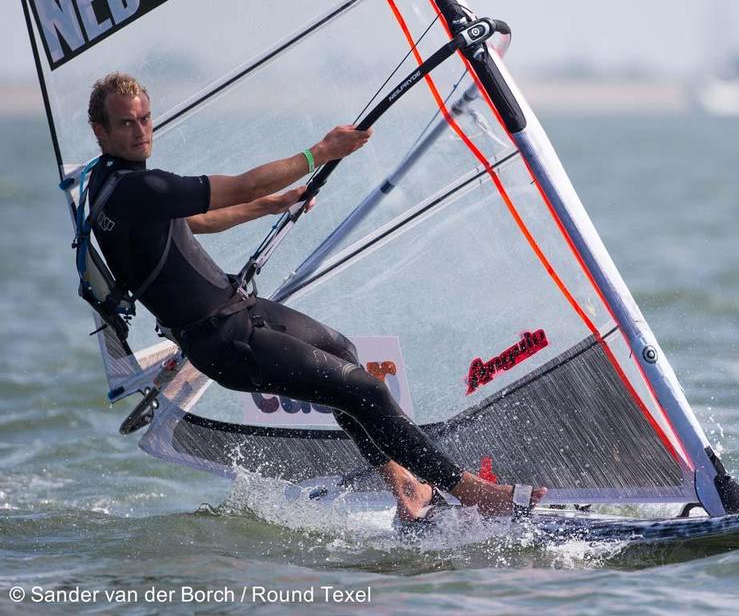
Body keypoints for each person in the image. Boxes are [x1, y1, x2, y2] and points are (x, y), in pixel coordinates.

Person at [86, 72, 545, 521]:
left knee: (342, 350)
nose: (141, 131)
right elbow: (244, 183)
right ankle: (472, 492)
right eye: (126, 123)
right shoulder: (141, 187)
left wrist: (269, 206)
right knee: (361, 389)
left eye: (145, 119)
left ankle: (405, 485)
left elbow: (190, 223)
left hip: (239, 315)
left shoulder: (107, 187)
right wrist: (321, 152)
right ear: (100, 130)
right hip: (227, 341)